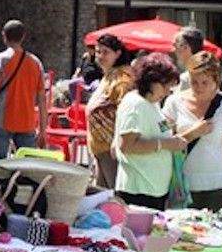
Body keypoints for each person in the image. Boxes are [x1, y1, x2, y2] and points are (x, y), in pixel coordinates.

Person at [113, 53, 205, 210]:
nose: (168, 91)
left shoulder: (152, 103)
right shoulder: (136, 104)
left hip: (153, 190)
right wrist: (166, 144)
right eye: (165, 85)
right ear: (150, 80)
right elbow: (126, 146)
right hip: (138, 192)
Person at [163, 51, 222, 209]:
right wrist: (193, 132)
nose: (198, 87)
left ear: (216, 81)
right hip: (181, 185)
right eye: (194, 82)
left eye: (204, 82)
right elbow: (165, 142)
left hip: (218, 188)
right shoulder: (173, 102)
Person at [0, 20, 48, 161]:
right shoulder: (35, 63)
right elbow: (42, 99)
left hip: (1, 119)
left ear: (4, 36)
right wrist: (43, 130)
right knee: (28, 168)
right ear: (23, 36)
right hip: (27, 122)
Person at [85, 34, 134, 189]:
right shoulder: (109, 75)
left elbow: (126, 109)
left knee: (113, 196)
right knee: (101, 196)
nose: (100, 56)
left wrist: (117, 140)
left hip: (111, 148)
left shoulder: (122, 78)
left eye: (105, 52)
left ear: (117, 53)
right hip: (100, 147)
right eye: (98, 52)